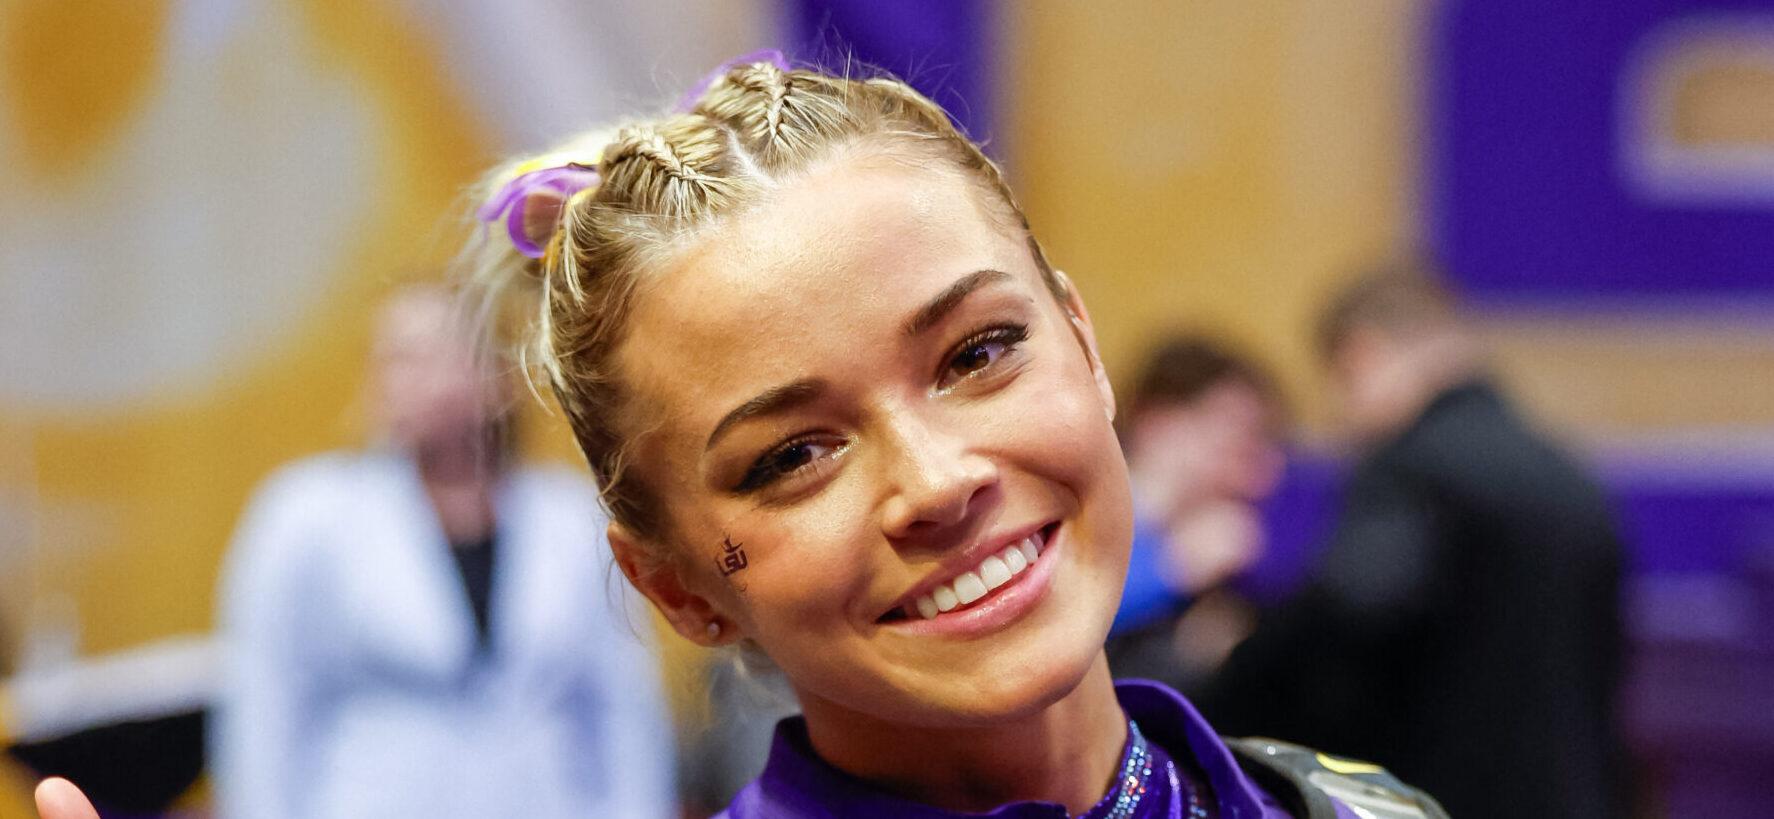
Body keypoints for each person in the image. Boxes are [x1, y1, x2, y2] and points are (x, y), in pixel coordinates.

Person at [38, 54, 1445, 819]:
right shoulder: (310, 518)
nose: (936, 478)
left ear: (1080, 341)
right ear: (674, 582)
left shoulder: (1354, 811)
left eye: (977, 352)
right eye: (792, 454)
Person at [207, 286, 676, 818]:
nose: (403, 378)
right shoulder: (306, 514)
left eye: (429, 354)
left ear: (499, 377)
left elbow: (623, 710)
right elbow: (264, 710)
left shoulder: (572, 519)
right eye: (391, 358)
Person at [1197, 262, 1627, 818]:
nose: (1343, 417)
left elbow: (1347, 612)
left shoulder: (1412, 470)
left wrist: (1222, 687)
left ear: (1363, 353)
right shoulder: (1572, 481)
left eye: (1342, 386)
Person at [1107, 337, 1286, 688]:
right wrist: (1171, 568)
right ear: (1158, 422)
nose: (1262, 478)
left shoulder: (1216, 558)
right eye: (1241, 442)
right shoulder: (1075, 515)